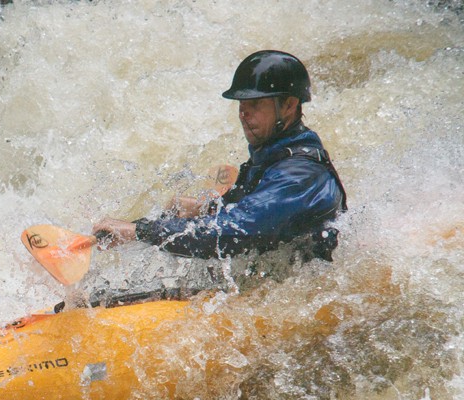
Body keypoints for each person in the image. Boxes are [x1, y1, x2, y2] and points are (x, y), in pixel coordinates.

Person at [93, 50, 347, 274]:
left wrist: (140, 232)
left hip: (309, 287)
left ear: (289, 105)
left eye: (255, 104)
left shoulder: (299, 175)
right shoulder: (274, 154)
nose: (243, 113)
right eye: (241, 103)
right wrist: (206, 208)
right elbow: (250, 207)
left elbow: (235, 232)